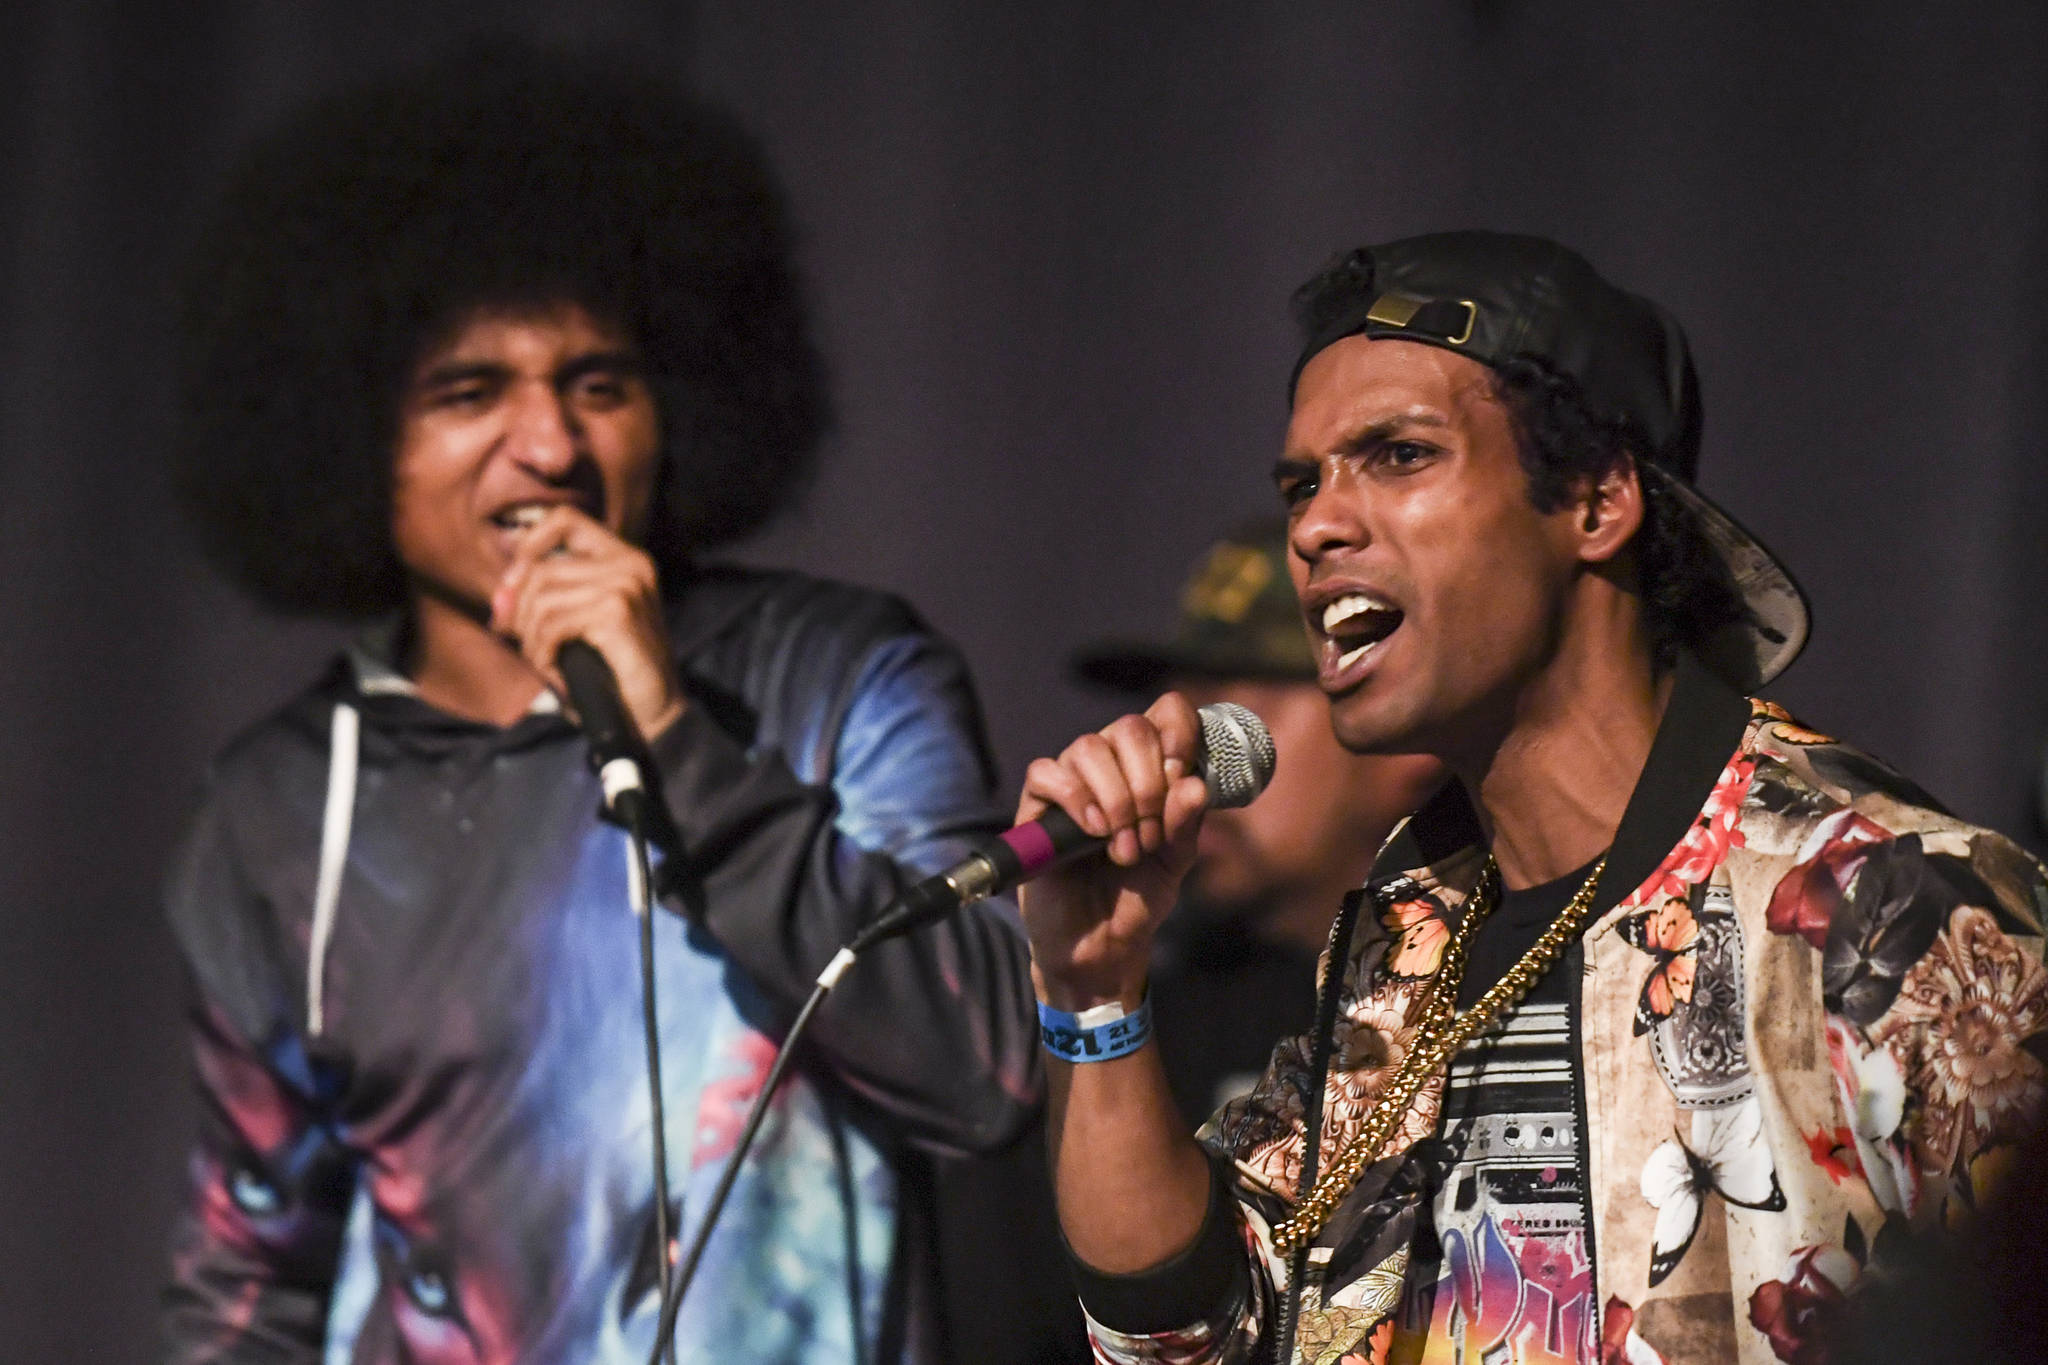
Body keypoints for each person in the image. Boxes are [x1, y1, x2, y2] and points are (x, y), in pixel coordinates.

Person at [1013, 231, 2048, 1364]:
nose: (1314, 525)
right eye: (1304, 483)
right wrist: (1094, 994)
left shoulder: (1891, 902)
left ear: (1597, 501)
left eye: (1398, 456)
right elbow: (1187, 1341)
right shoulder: (1402, 947)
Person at [161, 46, 1036, 1364]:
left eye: (599, 385)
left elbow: (991, 1070)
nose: (552, 447)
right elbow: (249, 1280)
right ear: (345, 435)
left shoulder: (843, 676)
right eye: (469, 393)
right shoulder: (279, 809)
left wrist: (678, 743)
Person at [1071, 521, 1443, 1125]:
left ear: (1405, 737)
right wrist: (1091, 988)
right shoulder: (1161, 1009)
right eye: (1182, 711)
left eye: (1239, 719)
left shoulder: (1502, 987)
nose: (1186, 756)